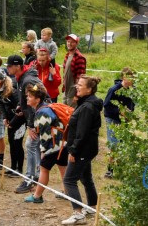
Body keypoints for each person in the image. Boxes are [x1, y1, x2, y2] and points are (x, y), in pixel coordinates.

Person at [61, 75, 103, 226]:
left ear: (89, 89)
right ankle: (92, 207)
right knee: (86, 178)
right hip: (87, 149)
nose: (77, 87)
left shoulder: (87, 107)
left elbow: (82, 133)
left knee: (69, 180)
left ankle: (78, 214)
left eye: (80, 85)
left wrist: (73, 151)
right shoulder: (84, 103)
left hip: (83, 150)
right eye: (77, 84)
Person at [6, 53, 47, 194]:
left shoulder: (28, 79)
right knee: (34, 146)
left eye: (10, 66)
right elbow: (26, 100)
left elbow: (37, 100)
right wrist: (20, 106)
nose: (8, 68)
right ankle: (35, 175)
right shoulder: (21, 78)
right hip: (35, 115)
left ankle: (30, 178)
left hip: (40, 117)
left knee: (31, 144)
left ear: (18, 66)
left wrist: (31, 125)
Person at [24, 84, 68, 204]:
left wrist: (43, 151)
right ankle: (67, 192)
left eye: (30, 96)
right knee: (63, 167)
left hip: (54, 145)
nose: (27, 98)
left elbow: (45, 135)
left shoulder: (42, 113)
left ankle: (37, 196)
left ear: (37, 99)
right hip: (63, 143)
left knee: (43, 169)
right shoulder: (45, 108)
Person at [102, 67, 135, 179]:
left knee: (122, 143)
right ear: (122, 78)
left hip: (124, 120)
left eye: (132, 78)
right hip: (112, 118)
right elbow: (106, 105)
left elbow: (132, 104)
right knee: (114, 144)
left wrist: (130, 113)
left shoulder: (132, 90)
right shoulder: (114, 89)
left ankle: (120, 168)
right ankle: (110, 170)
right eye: (128, 77)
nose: (130, 80)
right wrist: (119, 111)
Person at [0, 67, 20, 173]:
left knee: (17, 143)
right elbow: (1, 104)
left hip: (20, 119)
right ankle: (13, 167)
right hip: (10, 118)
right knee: (11, 142)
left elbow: (21, 109)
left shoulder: (13, 91)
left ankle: (18, 169)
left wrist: (13, 122)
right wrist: (5, 118)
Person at [62, 34, 87, 108]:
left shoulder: (80, 57)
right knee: (64, 113)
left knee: (72, 115)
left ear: (76, 43)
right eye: (68, 41)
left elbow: (80, 78)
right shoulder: (67, 55)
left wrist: (77, 95)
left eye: (72, 42)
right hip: (66, 91)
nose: (69, 43)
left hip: (73, 93)